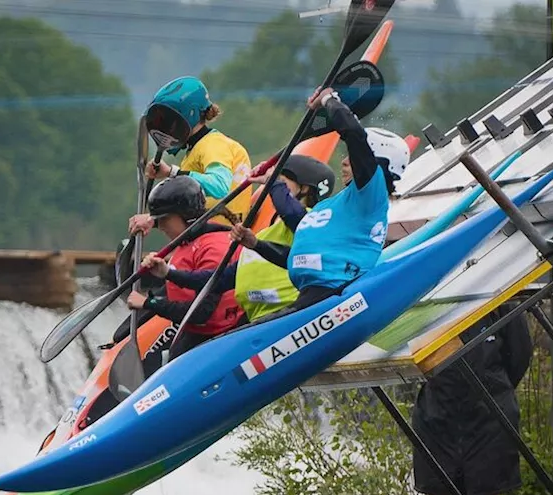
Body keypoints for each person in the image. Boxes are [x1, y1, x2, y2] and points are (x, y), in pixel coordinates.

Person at [242, 86, 412, 313]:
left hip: (333, 295)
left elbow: (353, 133)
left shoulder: (371, 194)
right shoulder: (332, 206)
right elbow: (297, 257)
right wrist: (256, 244)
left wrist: (329, 99)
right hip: (308, 296)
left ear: (376, 164)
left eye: (350, 156)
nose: (343, 161)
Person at [410, 302, 534, 495]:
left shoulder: (499, 303)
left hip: (490, 402)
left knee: (492, 485)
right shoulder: (432, 300)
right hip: (439, 403)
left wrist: (495, 386)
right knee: (439, 485)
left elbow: (520, 354)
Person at [138, 155, 337, 323]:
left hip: (287, 314)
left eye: (281, 183)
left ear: (304, 189)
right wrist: (169, 273)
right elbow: (217, 279)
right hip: (257, 318)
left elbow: (292, 214)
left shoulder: (309, 224)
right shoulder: (266, 233)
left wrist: (273, 181)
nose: (273, 187)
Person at [123, 175, 245, 357]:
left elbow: (202, 313)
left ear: (186, 216)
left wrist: (149, 303)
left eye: (164, 220)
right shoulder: (190, 237)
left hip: (220, 338)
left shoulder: (214, 248)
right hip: (195, 333)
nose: (161, 226)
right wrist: (151, 222)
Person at [134, 76, 253, 226]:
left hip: (222, 240)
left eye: (167, 120)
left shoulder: (213, 144)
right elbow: (188, 211)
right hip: (206, 238)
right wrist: (153, 221)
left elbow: (219, 186)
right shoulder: (195, 151)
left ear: (189, 114)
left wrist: (173, 173)